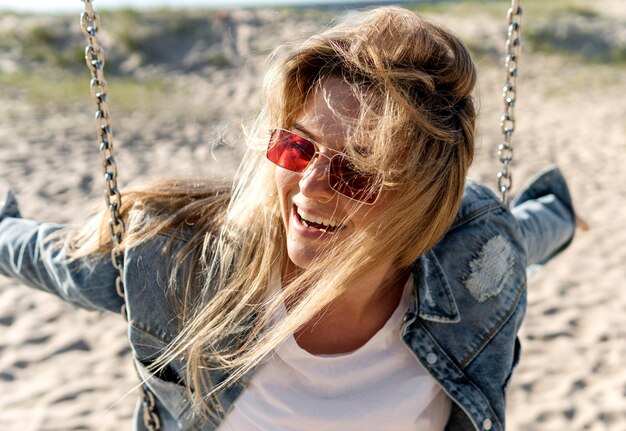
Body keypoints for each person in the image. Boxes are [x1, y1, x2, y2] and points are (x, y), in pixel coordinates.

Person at [0, 7, 578, 431]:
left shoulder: (476, 254)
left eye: (356, 171)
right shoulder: (178, 262)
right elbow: (52, 258)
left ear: (424, 197)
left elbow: (524, 236)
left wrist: (561, 212)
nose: (310, 186)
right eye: (296, 148)